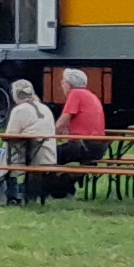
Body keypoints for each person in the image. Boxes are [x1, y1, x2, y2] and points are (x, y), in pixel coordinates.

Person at [0, 78, 58, 205]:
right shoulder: (45, 109)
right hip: (47, 156)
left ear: (15, 95)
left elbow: (8, 136)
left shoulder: (19, 110)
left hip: (23, 157)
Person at [55, 68, 109, 197]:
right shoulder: (90, 95)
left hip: (84, 146)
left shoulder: (75, 94)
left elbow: (62, 121)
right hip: (98, 147)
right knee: (57, 154)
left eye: (63, 81)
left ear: (69, 84)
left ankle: (45, 190)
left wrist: (49, 135)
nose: (61, 84)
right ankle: (65, 185)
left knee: (46, 156)